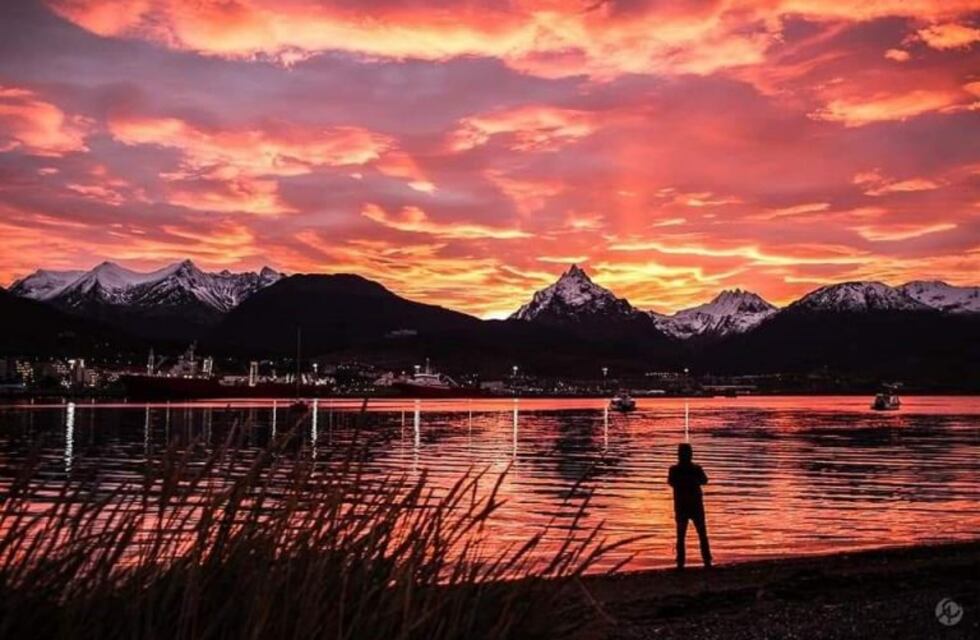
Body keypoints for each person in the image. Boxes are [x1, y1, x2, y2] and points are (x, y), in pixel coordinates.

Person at [667, 443, 712, 569]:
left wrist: (690, 481)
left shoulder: (692, 469)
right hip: (687, 506)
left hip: (691, 506)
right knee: (687, 535)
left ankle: (703, 560)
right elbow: (671, 482)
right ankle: (684, 562)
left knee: (697, 534)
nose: (686, 456)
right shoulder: (676, 469)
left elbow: (704, 480)